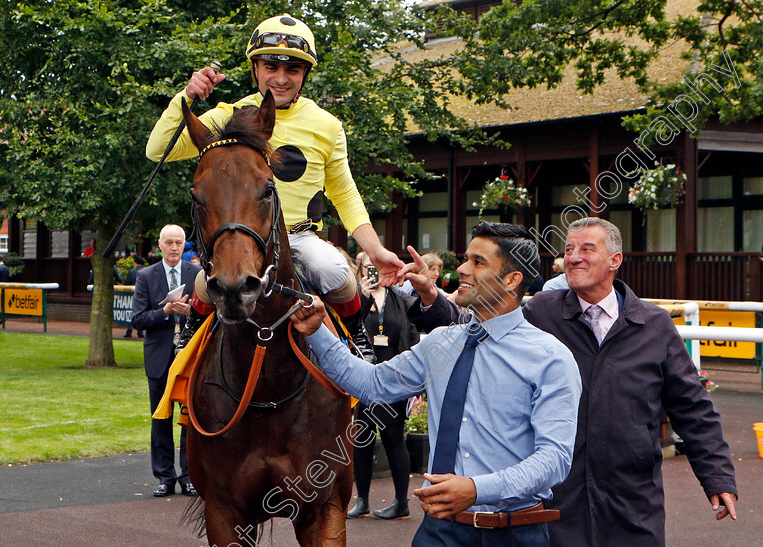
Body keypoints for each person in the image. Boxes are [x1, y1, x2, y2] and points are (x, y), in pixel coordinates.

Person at [408, 218, 738, 546]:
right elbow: (473, 329)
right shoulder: (541, 313)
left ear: (615, 260)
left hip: (632, 503)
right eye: (568, 249)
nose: (574, 256)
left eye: (587, 249)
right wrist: (430, 297)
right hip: (558, 507)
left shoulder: (653, 326)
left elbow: (692, 407)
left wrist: (717, 476)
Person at [291, 222, 581, 545]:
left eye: (478, 262)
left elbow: (554, 459)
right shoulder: (442, 343)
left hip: (515, 534)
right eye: (466, 259)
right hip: (438, 533)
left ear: (512, 281)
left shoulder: (550, 358)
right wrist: (316, 331)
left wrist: (475, 489)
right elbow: (370, 383)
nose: (462, 269)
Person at [145, 13, 404, 362]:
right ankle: (189, 343)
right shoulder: (229, 114)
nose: (280, 79)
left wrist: (374, 250)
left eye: (293, 70)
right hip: (244, 238)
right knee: (205, 283)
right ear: (255, 69)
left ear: (305, 75)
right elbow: (158, 150)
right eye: (270, 66)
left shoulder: (327, 125)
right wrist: (186, 98)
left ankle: (357, 338)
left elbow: (344, 193)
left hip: (300, 237)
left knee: (335, 271)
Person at [346, 255, 420, 521]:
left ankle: (402, 502)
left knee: (393, 438)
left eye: (378, 269)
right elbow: (348, 329)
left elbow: (410, 336)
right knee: (361, 440)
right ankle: (361, 500)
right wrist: (362, 299)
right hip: (364, 380)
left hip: (393, 381)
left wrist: (411, 380)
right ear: (360, 270)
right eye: (369, 268)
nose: (374, 274)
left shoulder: (400, 299)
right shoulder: (354, 301)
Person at [131, 224, 202, 498]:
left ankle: (188, 476)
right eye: (169, 242)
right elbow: (138, 319)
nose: (174, 247)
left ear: (184, 246)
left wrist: (190, 312)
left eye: (179, 243)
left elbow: (210, 315)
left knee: (188, 418)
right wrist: (165, 311)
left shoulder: (197, 274)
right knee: (160, 418)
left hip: (188, 357)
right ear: (159, 245)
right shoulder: (146, 276)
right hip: (159, 356)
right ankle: (164, 477)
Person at [123, 255, 147, 338]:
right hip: (144, 296)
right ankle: (140, 332)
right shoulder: (147, 271)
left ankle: (129, 331)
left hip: (132, 296)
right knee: (141, 312)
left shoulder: (132, 272)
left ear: (135, 263)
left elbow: (126, 283)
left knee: (130, 313)